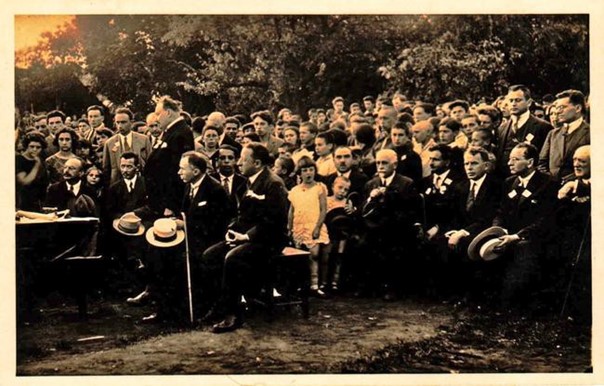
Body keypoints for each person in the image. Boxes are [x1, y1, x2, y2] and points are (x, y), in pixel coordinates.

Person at [201, 143, 289, 333]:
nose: (239, 163)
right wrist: (232, 230)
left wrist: (247, 237)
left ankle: (233, 314)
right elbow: (243, 216)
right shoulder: (249, 181)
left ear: (257, 163)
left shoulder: (273, 183)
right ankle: (220, 304)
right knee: (210, 255)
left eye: (243, 159)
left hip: (269, 240)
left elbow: (274, 221)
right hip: (248, 237)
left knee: (232, 259)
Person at [491, 143, 558, 306]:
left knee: (523, 248)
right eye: (509, 159)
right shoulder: (509, 182)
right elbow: (501, 212)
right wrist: (497, 231)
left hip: (535, 237)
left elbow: (545, 220)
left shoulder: (548, 183)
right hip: (508, 235)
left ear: (530, 162)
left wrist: (517, 236)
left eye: (515, 159)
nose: (509, 163)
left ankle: (517, 301)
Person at [175, 151, 234, 314]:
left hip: (212, 240)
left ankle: (208, 306)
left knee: (199, 258)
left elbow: (217, 223)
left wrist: (186, 225)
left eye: (182, 169)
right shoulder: (189, 186)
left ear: (195, 171)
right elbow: (184, 212)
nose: (179, 172)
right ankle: (179, 303)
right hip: (193, 238)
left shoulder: (215, 189)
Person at [359, 149, 420, 300]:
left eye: (384, 163)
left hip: (396, 229)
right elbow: (365, 210)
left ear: (395, 165)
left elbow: (409, 211)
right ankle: (371, 287)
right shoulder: (370, 184)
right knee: (365, 246)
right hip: (374, 228)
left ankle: (391, 288)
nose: (380, 166)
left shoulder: (406, 183)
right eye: (378, 163)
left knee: (393, 249)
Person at [144, 95, 195, 218]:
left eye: (158, 114)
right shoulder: (171, 132)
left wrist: (171, 204)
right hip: (159, 199)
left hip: (167, 202)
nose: (156, 118)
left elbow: (177, 171)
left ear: (168, 112)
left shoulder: (180, 133)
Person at [288, 156, 331, 296]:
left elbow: (324, 209)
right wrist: (290, 227)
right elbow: (292, 210)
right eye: (305, 170)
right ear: (299, 173)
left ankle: (315, 285)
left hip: (314, 225)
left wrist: (317, 227)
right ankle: (301, 285)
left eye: (311, 170)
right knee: (298, 257)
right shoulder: (295, 190)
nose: (308, 173)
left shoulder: (319, 188)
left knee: (314, 255)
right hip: (299, 226)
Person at [495, 85, 552, 177]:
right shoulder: (501, 128)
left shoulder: (543, 127)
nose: (513, 104)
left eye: (518, 100)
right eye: (511, 100)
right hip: (504, 182)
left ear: (529, 103)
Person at [538, 89, 590, 181]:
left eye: (562, 107)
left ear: (578, 108)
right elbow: (542, 163)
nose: (558, 112)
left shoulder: (591, 133)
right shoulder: (553, 134)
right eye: (557, 108)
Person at [102, 107, 152, 186]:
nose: (120, 126)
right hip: (117, 185)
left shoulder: (143, 140)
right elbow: (106, 169)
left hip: (140, 184)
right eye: (117, 122)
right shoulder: (110, 143)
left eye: (123, 122)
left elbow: (150, 164)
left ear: (131, 122)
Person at [16, 131, 49, 211]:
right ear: (26, 146)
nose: (34, 149)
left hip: (37, 203)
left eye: (38, 147)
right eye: (32, 146)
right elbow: (25, 181)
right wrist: (37, 166)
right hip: (21, 202)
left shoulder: (41, 161)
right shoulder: (19, 160)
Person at [210, 144, 248, 209]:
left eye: (230, 158)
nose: (226, 161)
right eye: (222, 158)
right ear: (217, 160)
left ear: (236, 161)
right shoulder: (210, 180)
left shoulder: (244, 181)